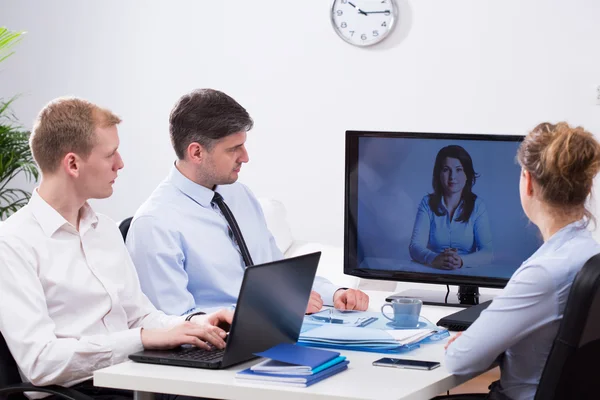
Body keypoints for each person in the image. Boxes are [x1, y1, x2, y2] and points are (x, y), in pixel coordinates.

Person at [0, 98, 232, 400]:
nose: (120, 164)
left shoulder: (105, 229)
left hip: (132, 377)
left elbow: (140, 317)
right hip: (77, 393)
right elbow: (41, 363)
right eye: (110, 154)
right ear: (72, 164)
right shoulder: (13, 243)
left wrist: (194, 324)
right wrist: (141, 340)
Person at [126, 88, 369, 316]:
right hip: (217, 347)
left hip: (274, 330)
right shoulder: (155, 223)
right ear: (196, 152)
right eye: (234, 149)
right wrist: (272, 306)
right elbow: (174, 321)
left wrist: (335, 293)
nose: (245, 157)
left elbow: (277, 272)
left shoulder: (239, 195)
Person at [443, 122, 600, 400]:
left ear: (527, 182)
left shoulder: (543, 271)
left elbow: (460, 359)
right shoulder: (588, 254)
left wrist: (471, 344)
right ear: (586, 186)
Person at [409, 145, 493, 270]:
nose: (452, 177)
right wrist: (434, 259)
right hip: (433, 273)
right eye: (446, 169)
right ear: (438, 174)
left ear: (467, 174)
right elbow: (415, 246)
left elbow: (487, 253)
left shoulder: (478, 206)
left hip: (467, 275)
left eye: (459, 169)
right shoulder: (427, 203)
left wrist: (461, 261)